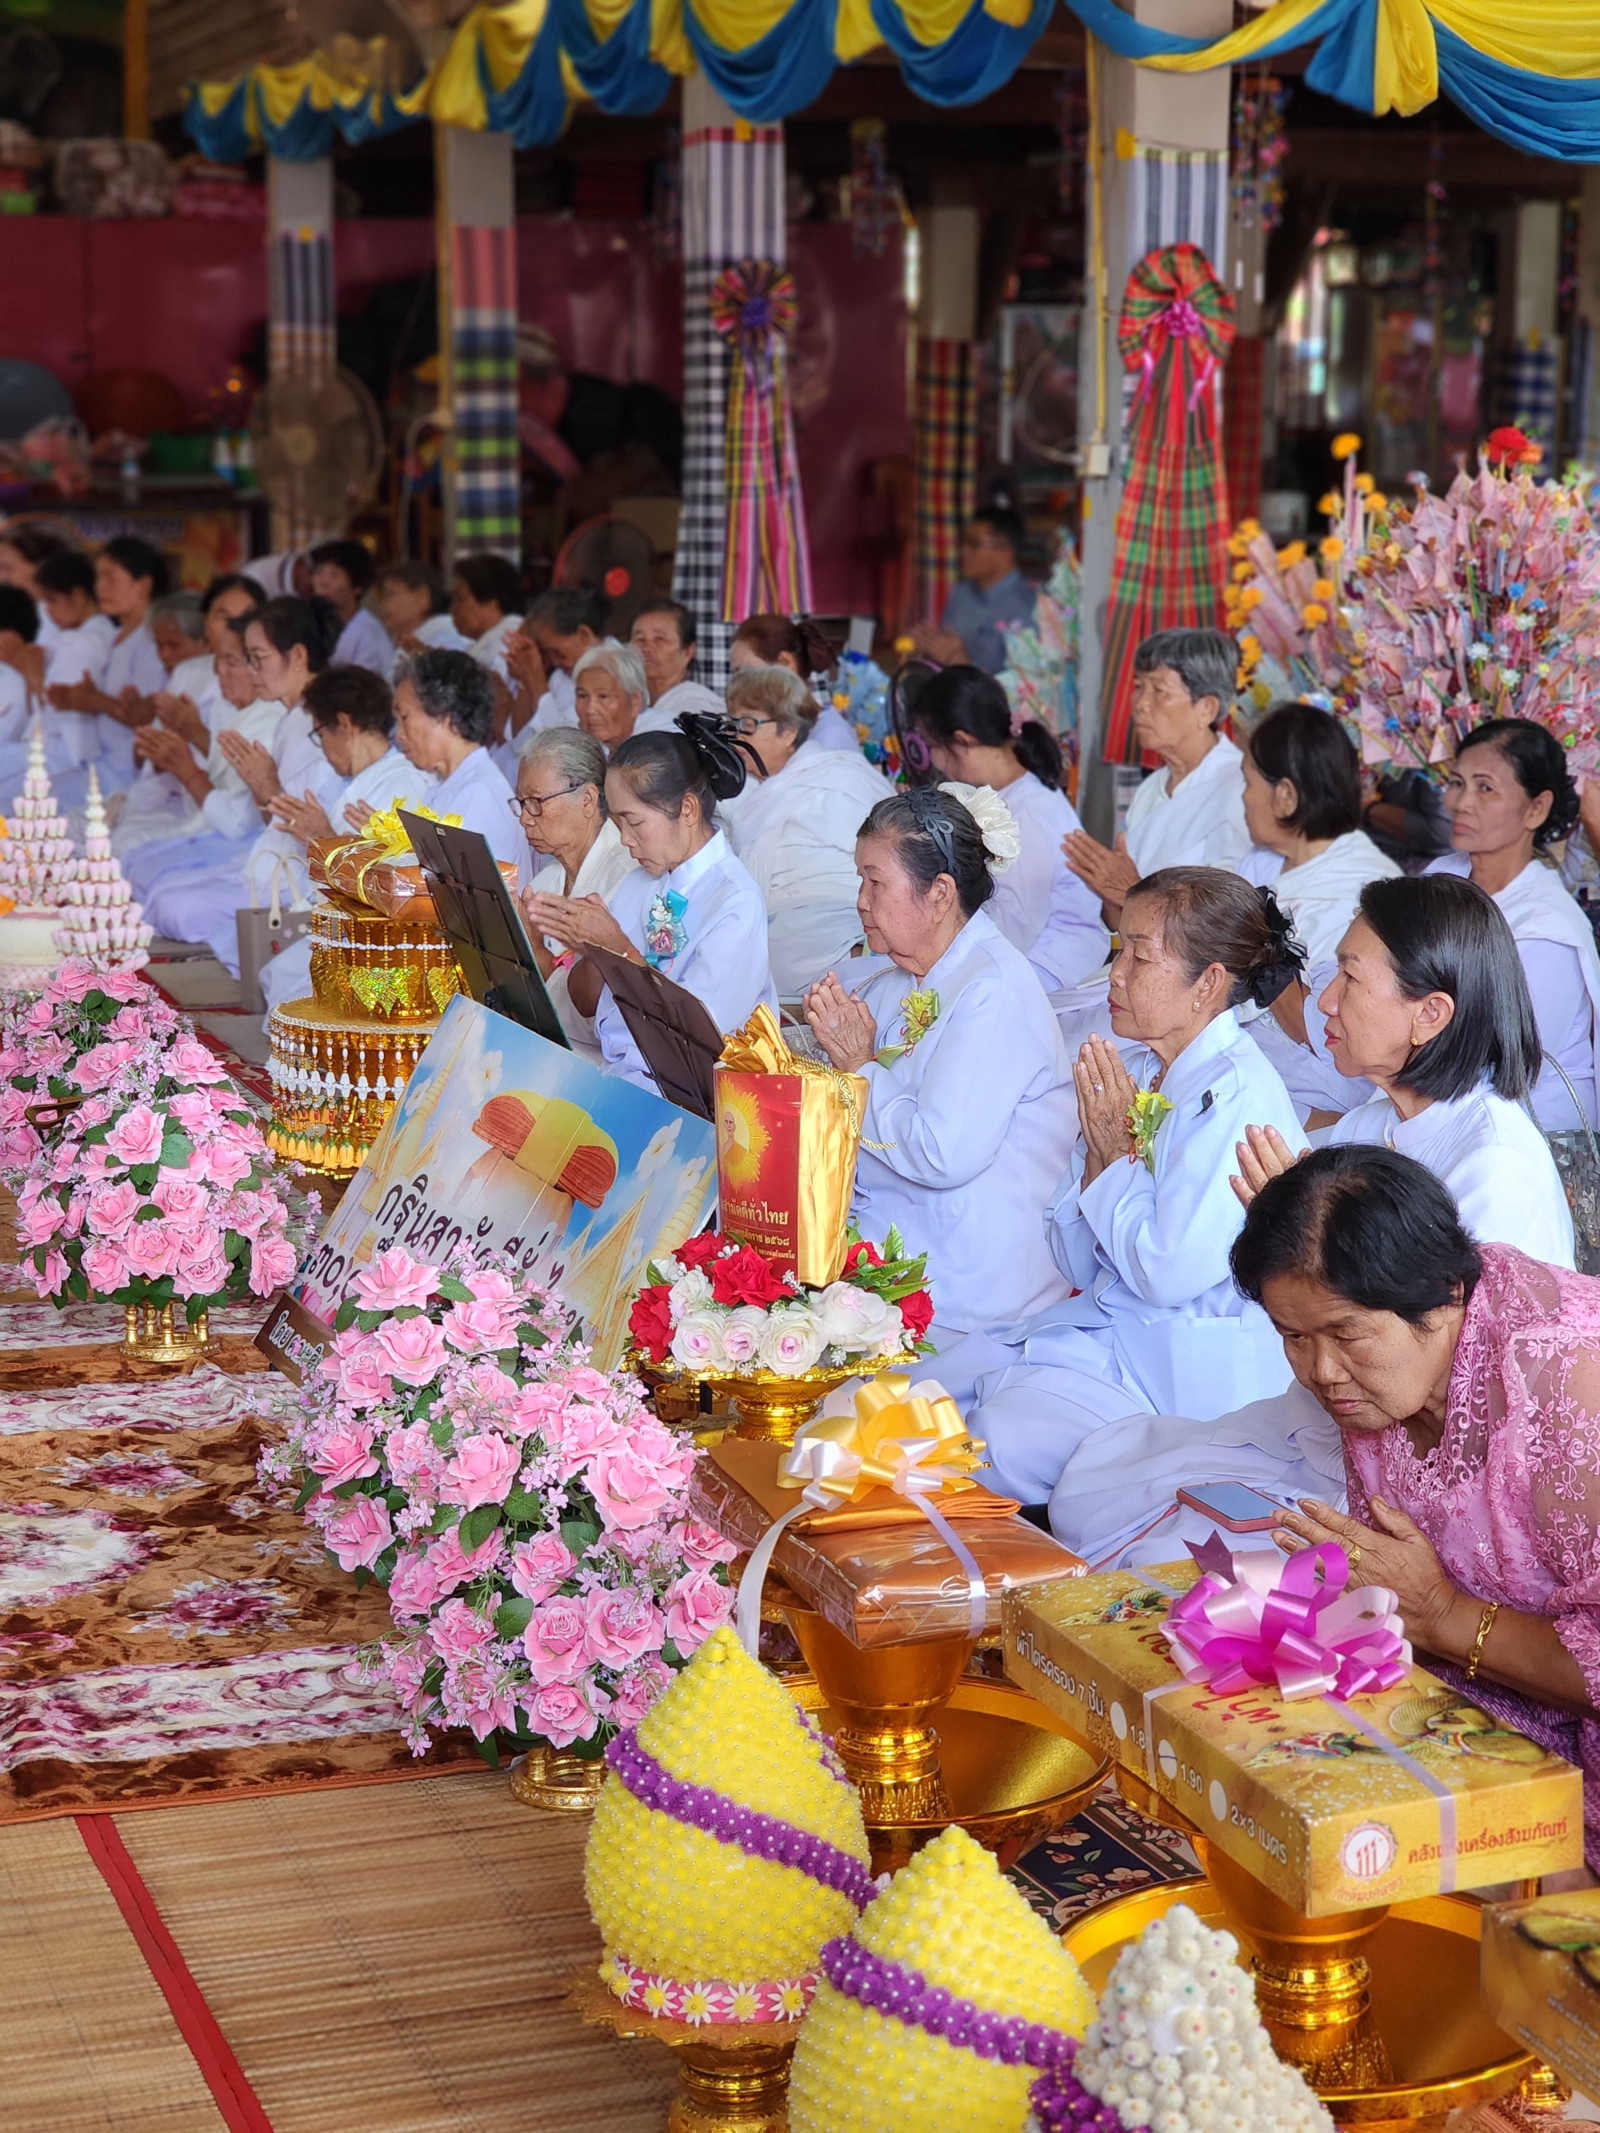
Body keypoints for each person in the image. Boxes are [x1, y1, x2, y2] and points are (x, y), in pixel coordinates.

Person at [1237, 1145, 1600, 1874]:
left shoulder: (1567, 1385)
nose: (1321, 1372)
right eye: (1292, 1335)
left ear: (1441, 1299)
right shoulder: (1380, 1374)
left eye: (1344, 1332)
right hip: (1485, 1701)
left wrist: (1439, 1611)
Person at [955, 868, 1307, 1505]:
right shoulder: (1144, 1068)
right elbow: (1076, 1259)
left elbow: (1166, 1272)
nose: (1115, 973)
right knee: (920, 1390)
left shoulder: (1239, 1096)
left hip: (1174, 1375)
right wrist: (1100, 1156)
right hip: (1112, 1334)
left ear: (1208, 984)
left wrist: (1115, 1160)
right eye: (1117, 949)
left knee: (984, 1445)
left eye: (1139, 956)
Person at [802, 785, 1076, 1341]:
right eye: (861, 879)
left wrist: (857, 1061)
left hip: (967, 1300)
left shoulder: (993, 988)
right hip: (889, 1265)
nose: (860, 900)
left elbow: (941, 1151)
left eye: (875, 881)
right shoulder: (902, 975)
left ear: (940, 893)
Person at [1235, 874, 1576, 1267]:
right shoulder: (1366, 1127)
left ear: (1429, 1014)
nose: (1326, 1002)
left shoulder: (1495, 1165)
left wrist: (1301, 1234)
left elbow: (1460, 1325)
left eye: (1350, 978)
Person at [526, 723, 774, 1090]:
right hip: (624, 1078)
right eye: (618, 823)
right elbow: (585, 1004)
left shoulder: (735, 900)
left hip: (698, 1101)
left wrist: (618, 950)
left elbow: (699, 1042)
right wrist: (590, 951)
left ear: (687, 809)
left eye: (635, 822)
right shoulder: (640, 882)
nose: (625, 840)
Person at [143, 597, 345, 967]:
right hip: (273, 856)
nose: (251, 672)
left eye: (258, 658)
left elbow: (320, 827)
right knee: (162, 893)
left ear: (297, 655)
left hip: (304, 878)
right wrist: (265, 791)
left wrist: (267, 789)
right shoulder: (291, 717)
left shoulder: (324, 722)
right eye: (246, 660)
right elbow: (274, 818)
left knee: (177, 908)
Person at [1425, 719, 1600, 1134]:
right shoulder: (1442, 874)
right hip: (1437, 1090)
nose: (1462, 802)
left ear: (1536, 808)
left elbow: (1504, 1070)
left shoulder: (1546, 931)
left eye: (1485, 788)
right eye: (1457, 783)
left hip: (1525, 1131)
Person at [905, 665, 1107, 991]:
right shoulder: (1007, 794)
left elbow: (1017, 926)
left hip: (1051, 965)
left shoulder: (1031, 812)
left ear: (962, 741)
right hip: (1026, 951)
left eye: (932, 746)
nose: (933, 762)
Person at [260, 666, 438, 1016]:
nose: (322, 747)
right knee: (275, 976)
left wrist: (325, 836)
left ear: (343, 724)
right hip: (337, 921)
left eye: (320, 734)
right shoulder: (354, 779)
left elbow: (394, 883)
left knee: (289, 996)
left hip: (379, 941)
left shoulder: (401, 782)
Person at [716, 663, 891, 996]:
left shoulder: (841, 777)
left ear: (789, 731)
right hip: (775, 964)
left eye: (749, 724)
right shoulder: (745, 787)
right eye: (733, 723)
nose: (737, 735)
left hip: (855, 955)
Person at [1063, 630, 1250, 928]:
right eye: (1138, 687)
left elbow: (1232, 925)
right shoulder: (1151, 788)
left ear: (1206, 708)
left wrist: (1129, 890)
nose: (1140, 704)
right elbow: (1119, 918)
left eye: (1159, 690)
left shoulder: (1242, 789)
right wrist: (1108, 888)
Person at [123, 618, 283, 899]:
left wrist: (187, 767)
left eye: (231, 663)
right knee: (130, 865)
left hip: (246, 845)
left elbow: (237, 825)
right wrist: (181, 746)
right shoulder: (231, 706)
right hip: (209, 827)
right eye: (218, 660)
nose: (219, 671)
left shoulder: (271, 720)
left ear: (258, 668)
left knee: (166, 900)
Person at [1238, 701, 1400, 966]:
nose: (1243, 796)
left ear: (1287, 796)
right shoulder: (1264, 859)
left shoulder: (1356, 899)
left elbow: (1320, 1004)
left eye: (1248, 782)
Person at [513, 728, 634, 1058]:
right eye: (521, 803)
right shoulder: (543, 883)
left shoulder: (627, 876)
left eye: (537, 802)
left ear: (588, 800)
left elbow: (604, 1024)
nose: (525, 818)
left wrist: (537, 954)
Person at [390, 648, 526, 885]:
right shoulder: (455, 785)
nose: (399, 734)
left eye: (404, 717)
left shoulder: (477, 795)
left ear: (443, 716)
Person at [45, 536, 169, 790]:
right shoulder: (116, 638)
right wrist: (73, 699)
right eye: (99, 578)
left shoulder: (152, 642)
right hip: (100, 766)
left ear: (143, 585)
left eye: (111, 577)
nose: (101, 587)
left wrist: (93, 701)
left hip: (127, 777)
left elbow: (147, 716)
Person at [910, 508, 1037, 675]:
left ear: (1006, 552)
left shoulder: (1029, 605)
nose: (964, 552)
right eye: (963, 543)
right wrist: (931, 649)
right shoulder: (960, 595)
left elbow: (1025, 686)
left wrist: (956, 660)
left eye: (975, 544)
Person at [730, 614, 857, 751]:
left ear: (785, 663)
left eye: (745, 672)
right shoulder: (773, 730)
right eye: (736, 675)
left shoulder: (830, 737)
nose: (739, 684)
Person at [630, 599, 723, 725]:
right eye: (640, 639)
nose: (646, 648)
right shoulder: (634, 702)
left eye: (660, 639)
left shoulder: (696, 706)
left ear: (688, 652)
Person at [309, 540, 392, 677]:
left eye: (334, 575)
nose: (323, 583)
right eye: (319, 572)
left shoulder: (369, 634)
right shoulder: (313, 622)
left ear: (356, 587)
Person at [568, 642, 656, 755]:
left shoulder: (660, 747)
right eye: (582, 696)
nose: (590, 709)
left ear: (635, 701)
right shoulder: (583, 747)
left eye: (603, 696)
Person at [375, 560, 469, 664]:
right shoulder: (404, 640)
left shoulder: (444, 637)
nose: (383, 604)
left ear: (422, 596)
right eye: (382, 597)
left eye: (390, 594)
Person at [451, 553, 524, 684]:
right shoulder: (493, 640)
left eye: (460, 599)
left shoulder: (504, 646)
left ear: (490, 603)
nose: (452, 609)